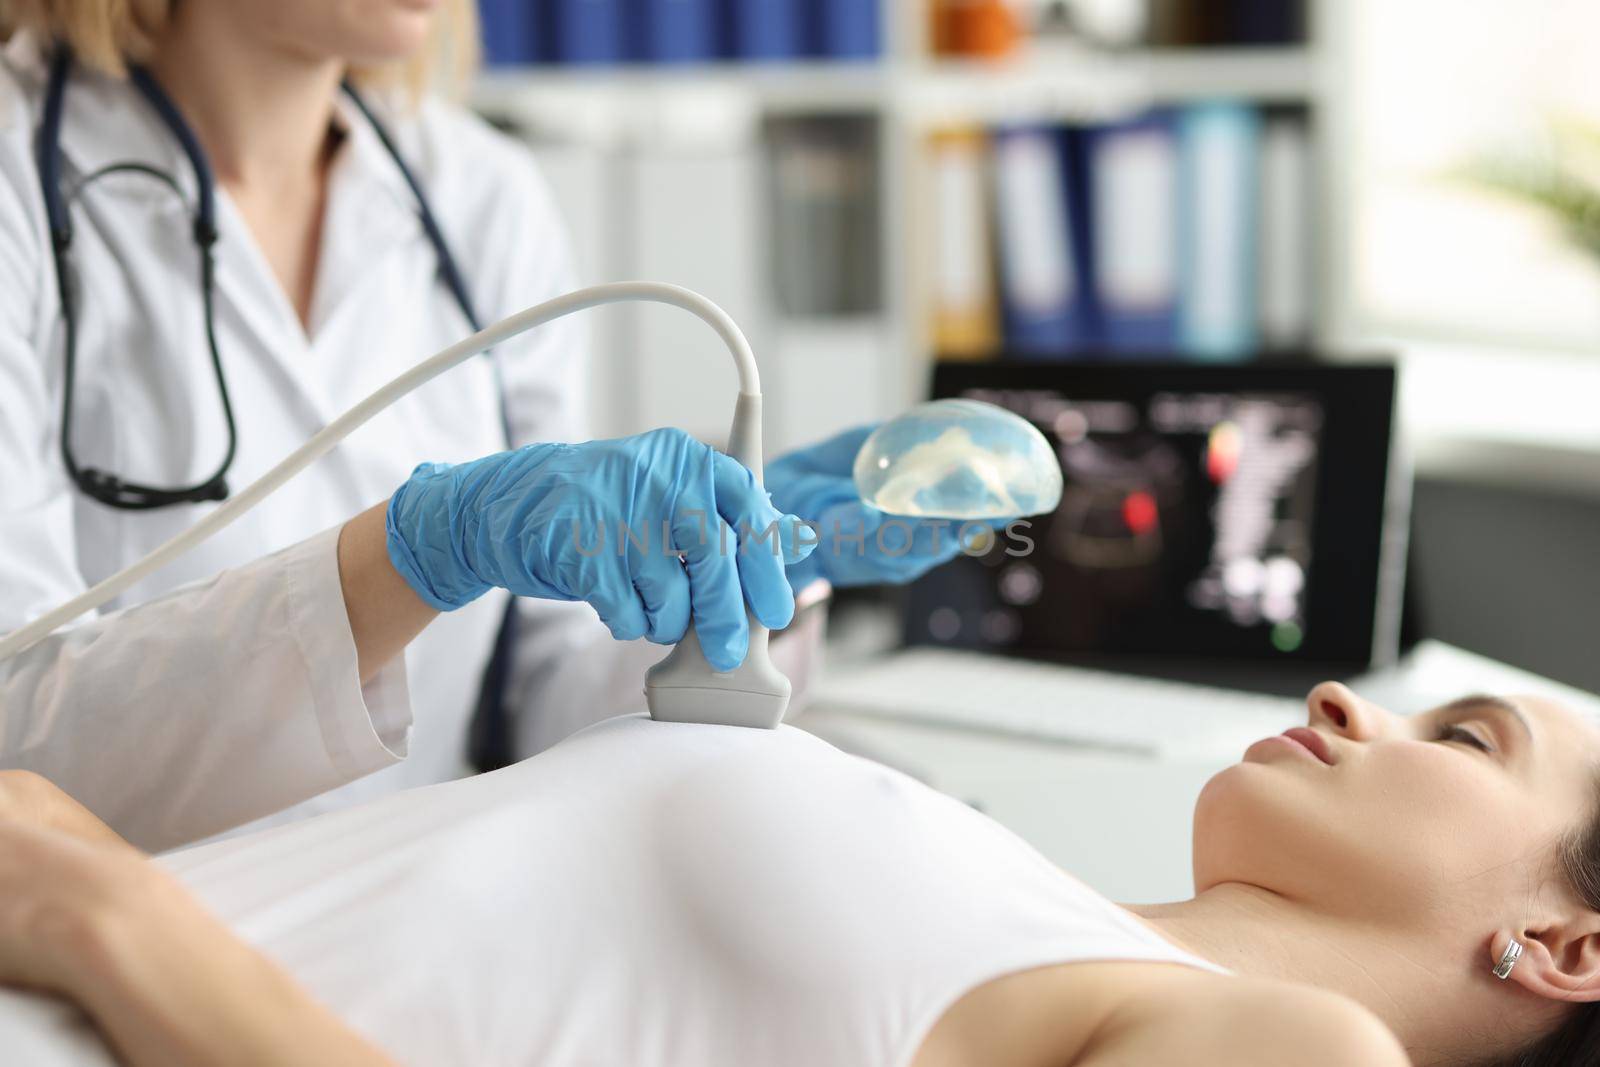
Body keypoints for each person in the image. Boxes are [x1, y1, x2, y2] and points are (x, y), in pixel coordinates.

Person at [0, 1, 977, 851]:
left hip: (435, 898)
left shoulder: (481, 197)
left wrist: (751, 569)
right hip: (121, 937)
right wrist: (417, 554)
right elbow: (20, 751)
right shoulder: (18, 179)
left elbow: (547, 706)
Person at [3, 679, 1600, 1066]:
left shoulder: (1309, 1048)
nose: (1343, 699)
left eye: (1466, 736)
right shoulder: (1034, 895)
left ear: (1564, 942)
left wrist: (111, 915)